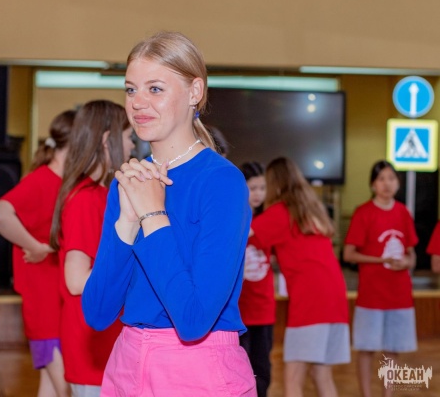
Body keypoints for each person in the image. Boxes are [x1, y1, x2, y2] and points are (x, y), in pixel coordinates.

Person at [82, 31, 257, 396]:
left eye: (155, 89)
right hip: (128, 364)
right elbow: (97, 312)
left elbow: (193, 320)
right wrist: (126, 223)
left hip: (198, 371)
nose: (138, 102)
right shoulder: (129, 181)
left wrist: (153, 215)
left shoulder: (221, 181)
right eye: (131, 89)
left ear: (195, 92)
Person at [49, 100, 135, 397]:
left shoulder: (98, 193)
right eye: (128, 137)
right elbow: (75, 280)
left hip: (99, 337)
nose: (132, 146)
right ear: (107, 139)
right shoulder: (86, 198)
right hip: (91, 341)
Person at [0, 109, 76, 397]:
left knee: (51, 388)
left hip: (56, 299)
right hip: (43, 302)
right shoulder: (41, 180)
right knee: (65, 388)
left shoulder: (65, 183)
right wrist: (34, 246)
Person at [249, 157, 350, 397]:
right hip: (335, 299)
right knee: (322, 374)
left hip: (311, 302)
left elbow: (241, 234)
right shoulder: (310, 210)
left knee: (293, 377)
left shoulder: (280, 212)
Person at [343, 160, 418, 397]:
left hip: (399, 295)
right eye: (381, 179)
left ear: (398, 183)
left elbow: (412, 254)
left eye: (391, 179)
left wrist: (406, 262)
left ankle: (388, 394)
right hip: (371, 296)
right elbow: (348, 254)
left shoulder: (403, 212)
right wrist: (381, 260)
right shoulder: (363, 212)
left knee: (392, 350)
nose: (387, 184)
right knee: (366, 349)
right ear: (373, 184)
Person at [238, 162, 275, 397]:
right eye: (253, 188)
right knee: (241, 368)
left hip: (263, 309)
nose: (258, 194)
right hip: (240, 309)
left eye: (262, 188)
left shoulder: (270, 220)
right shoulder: (235, 219)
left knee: (262, 368)